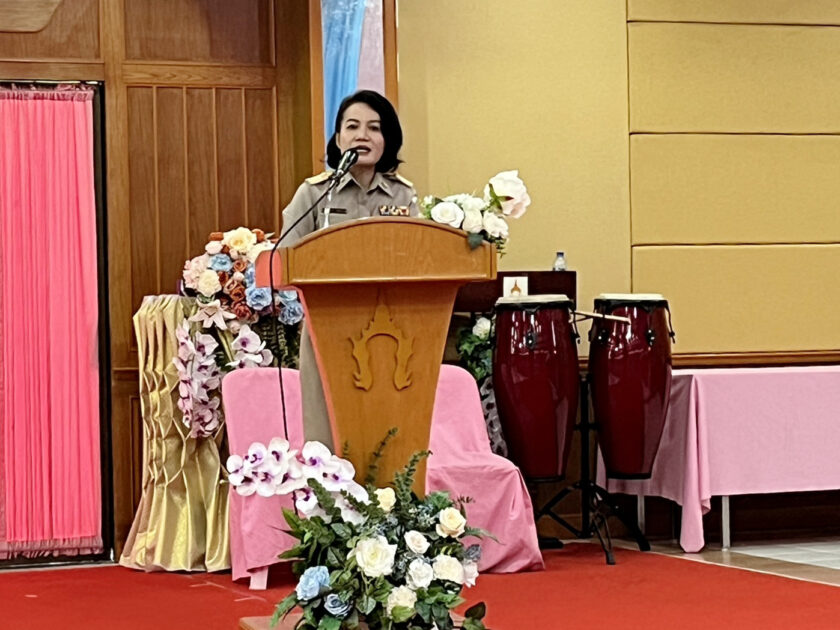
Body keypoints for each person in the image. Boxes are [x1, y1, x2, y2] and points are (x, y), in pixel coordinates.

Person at [279, 90, 418, 447]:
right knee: (326, 430)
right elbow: (286, 256)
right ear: (338, 138)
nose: (362, 136)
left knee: (384, 428)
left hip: (389, 332)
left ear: (387, 140)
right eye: (352, 126)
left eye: (374, 127)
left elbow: (419, 257)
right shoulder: (315, 194)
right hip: (327, 324)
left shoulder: (403, 196)